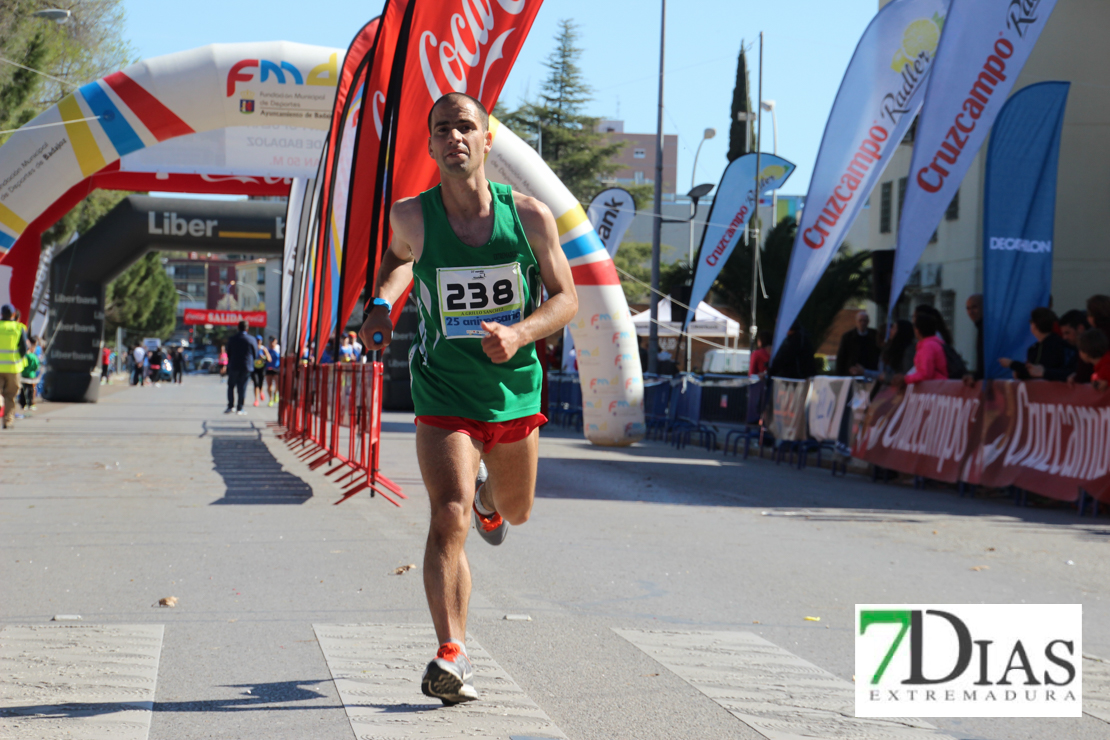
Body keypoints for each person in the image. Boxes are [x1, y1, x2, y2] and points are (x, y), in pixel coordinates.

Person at [357, 92, 577, 706]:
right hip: (444, 387)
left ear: (486, 141)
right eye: (442, 129)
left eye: (466, 127)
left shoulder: (529, 217)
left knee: (516, 509)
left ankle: (490, 499)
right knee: (446, 514)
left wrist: (520, 331)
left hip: (512, 389)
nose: (454, 136)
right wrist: (382, 303)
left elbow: (566, 299)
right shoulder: (412, 217)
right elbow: (400, 262)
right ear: (430, 146)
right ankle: (450, 652)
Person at [999, 308, 1069, 380]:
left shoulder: (1053, 346)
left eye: (1031, 322)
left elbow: (1036, 371)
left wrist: (1012, 364)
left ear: (1034, 325)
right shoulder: (1035, 348)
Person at [894, 312, 947, 388]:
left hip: (934, 389)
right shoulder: (934, 343)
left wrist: (905, 379)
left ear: (918, 330)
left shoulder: (928, 346)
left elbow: (925, 373)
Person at [0, 304, 29, 429]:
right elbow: (24, 348)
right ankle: (8, 421)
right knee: (10, 396)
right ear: (13, 314)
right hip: (13, 368)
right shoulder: (18, 327)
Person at [224, 321, 257, 414]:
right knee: (242, 387)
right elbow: (255, 353)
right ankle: (240, 408)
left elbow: (228, 352)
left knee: (231, 386)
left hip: (234, 365)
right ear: (247, 329)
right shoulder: (251, 339)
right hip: (246, 367)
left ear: (238, 328)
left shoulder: (232, 339)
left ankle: (230, 406)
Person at [836, 310, 880, 376]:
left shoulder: (874, 335)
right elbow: (842, 356)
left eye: (864, 321)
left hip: (870, 371)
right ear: (856, 322)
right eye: (860, 321)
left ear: (868, 322)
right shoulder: (848, 337)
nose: (862, 323)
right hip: (852, 372)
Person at [1077, 328, 1110, 393]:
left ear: (1085, 353)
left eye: (1080, 350)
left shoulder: (1106, 367)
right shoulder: (1101, 367)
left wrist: (1107, 384)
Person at [966, 293, 984, 380]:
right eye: (968, 308)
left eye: (974, 307)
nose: (971, 312)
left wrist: (977, 376)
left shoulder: (986, 328)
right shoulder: (981, 327)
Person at [18, 342, 40, 414]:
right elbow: (36, 365)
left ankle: (23, 404)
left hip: (23, 375)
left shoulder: (23, 356)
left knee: (22, 390)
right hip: (31, 375)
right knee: (31, 390)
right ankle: (31, 403)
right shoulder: (33, 356)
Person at [251, 337, 270, 406]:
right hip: (254, 368)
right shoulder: (253, 348)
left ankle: (261, 391)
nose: (258, 342)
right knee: (256, 383)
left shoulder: (263, 349)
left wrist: (263, 357)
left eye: (259, 341)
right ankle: (256, 400)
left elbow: (269, 359)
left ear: (261, 341)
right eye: (257, 341)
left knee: (260, 383)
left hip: (261, 368)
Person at [265, 336, 281, 406]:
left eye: (273, 341)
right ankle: (271, 399)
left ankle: (275, 393)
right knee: (269, 385)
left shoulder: (278, 348)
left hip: (276, 368)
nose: (272, 343)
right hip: (268, 368)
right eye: (271, 341)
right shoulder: (267, 348)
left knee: (278, 383)